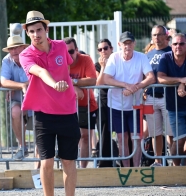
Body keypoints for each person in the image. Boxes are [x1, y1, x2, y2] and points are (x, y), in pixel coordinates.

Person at [19, 11, 80, 196]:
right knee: (47, 162)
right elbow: (39, 71)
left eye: (39, 30)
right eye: (32, 31)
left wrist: (70, 86)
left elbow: (67, 66)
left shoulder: (61, 46)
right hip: (43, 115)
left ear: (47, 29)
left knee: (69, 161)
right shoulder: (25, 55)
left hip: (68, 111)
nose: (36, 34)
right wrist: (55, 84)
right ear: (27, 33)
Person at [103, 31, 155, 167]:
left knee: (136, 138)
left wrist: (136, 87)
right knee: (122, 138)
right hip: (116, 105)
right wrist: (126, 85)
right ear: (120, 45)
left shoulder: (142, 57)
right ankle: (126, 169)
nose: (128, 46)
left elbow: (151, 77)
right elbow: (106, 78)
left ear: (134, 43)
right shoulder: (114, 58)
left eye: (130, 43)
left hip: (135, 105)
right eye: (125, 43)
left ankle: (136, 168)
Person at [64, 37, 97, 168]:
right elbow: (56, 81)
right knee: (68, 137)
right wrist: (75, 88)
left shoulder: (86, 59)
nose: (68, 55)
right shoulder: (60, 61)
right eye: (65, 52)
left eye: (71, 51)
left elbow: (92, 80)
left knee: (85, 136)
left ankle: (83, 168)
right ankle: (69, 167)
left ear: (77, 50)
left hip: (86, 104)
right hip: (65, 105)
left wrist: (73, 82)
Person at [145, 25, 173, 167]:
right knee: (155, 133)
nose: (157, 37)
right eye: (154, 35)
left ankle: (175, 161)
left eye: (159, 34)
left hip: (168, 97)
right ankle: (158, 161)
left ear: (165, 36)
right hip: (151, 97)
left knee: (170, 132)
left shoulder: (171, 51)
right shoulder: (148, 54)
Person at [158, 33, 186, 166]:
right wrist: (181, 80)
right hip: (174, 107)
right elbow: (161, 78)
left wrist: (182, 84)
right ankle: (176, 168)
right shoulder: (165, 57)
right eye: (175, 44)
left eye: (181, 43)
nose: (178, 46)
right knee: (179, 140)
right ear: (171, 45)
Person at [1, 35, 30, 160]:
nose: (14, 51)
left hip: (36, 98)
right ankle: (22, 147)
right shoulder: (6, 60)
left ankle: (39, 166)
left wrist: (16, 86)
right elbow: (3, 81)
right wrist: (22, 86)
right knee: (15, 111)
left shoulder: (31, 57)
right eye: (11, 49)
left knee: (39, 129)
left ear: (24, 47)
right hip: (18, 99)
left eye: (17, 47)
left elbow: (37, 77)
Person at [95, 38, 115, 167]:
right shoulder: (97, 65)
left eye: (105, 48)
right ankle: (104, 163)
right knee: (103, 131)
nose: (103, 51)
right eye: (100, 49)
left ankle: (125, 161)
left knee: (123, 132)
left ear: (111, 49)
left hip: (119, 100)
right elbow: (99, 83)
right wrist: (102, 67)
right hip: (103, 100)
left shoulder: (118, 61)